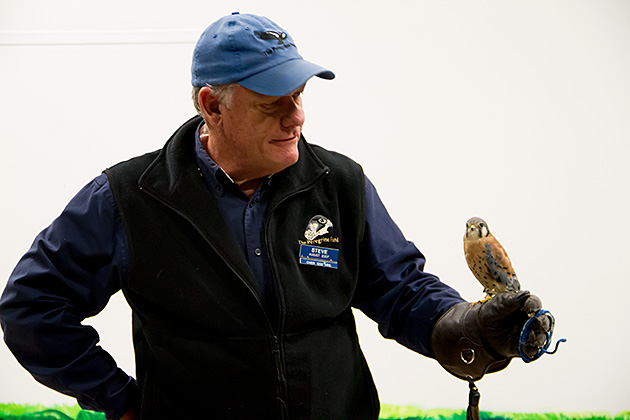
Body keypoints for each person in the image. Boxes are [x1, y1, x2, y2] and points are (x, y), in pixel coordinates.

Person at [0, 12, 548, 420]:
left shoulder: (341, 184)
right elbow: (31, 306)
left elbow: (399, 288)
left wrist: (458, 325)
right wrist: (118, 400)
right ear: (212, 106)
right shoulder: (127, 198)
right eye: (272, 103)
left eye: (300, 95)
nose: (297, 117)